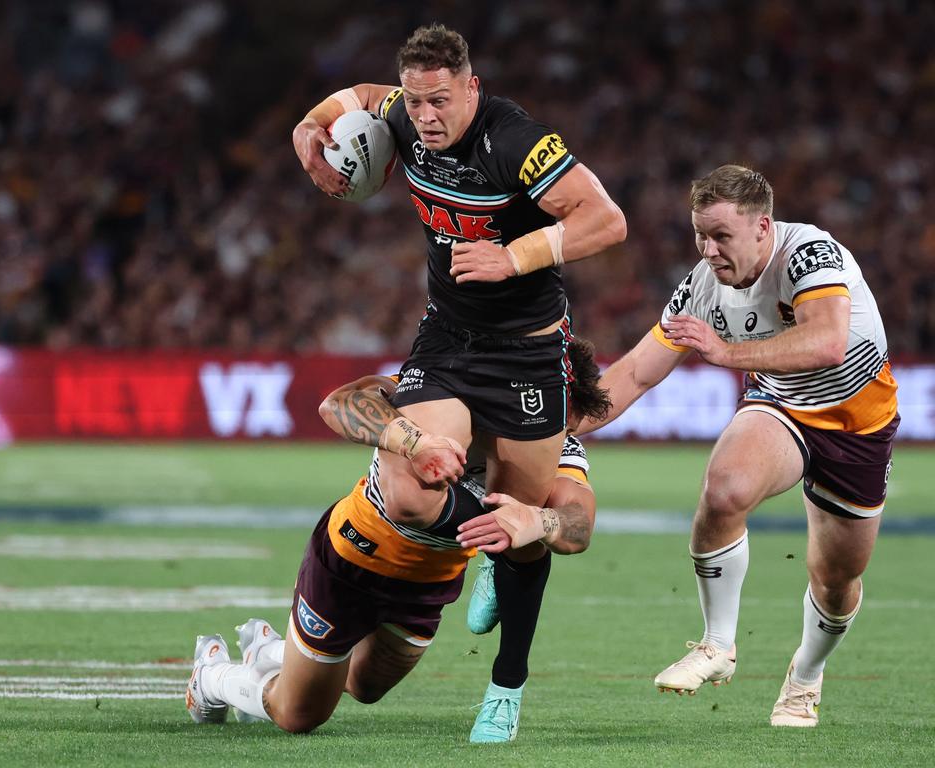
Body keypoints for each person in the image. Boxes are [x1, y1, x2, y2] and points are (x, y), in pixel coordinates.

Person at [576, 164, 899, 727]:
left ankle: (804, 676)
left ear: (762, 228)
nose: (708, 249)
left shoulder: (809, 254)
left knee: (837, 577)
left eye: (720, 235)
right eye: (700, 234)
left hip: (858, 423)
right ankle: (717, 646)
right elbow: (635, 375)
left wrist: (725, 353)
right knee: (724, 490)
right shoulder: (702, 284)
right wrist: (552, 430)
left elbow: (826, 341)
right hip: (782, 408)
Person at [291, 23, 626, 542]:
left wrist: (512, 257)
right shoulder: (405, 114)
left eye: (440, 101)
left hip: (526, 346)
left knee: (521, 516)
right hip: (449, 335)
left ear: (472, 87)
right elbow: (360, 95)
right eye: (417, 101)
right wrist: (309, 126)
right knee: (409, 498)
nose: (425, 117)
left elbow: (607, 220)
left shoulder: (516, 140)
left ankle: (501, 555)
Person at [183, 340, 609, 739]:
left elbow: (578, 524)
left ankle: (269, 654)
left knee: (364, 687)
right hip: (353, 557)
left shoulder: (551, 451)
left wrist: (540, 522)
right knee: (300, 715)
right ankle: (213, 678)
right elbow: (338, 404)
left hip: (428, 585)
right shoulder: (433, 393)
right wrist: (413, 440)